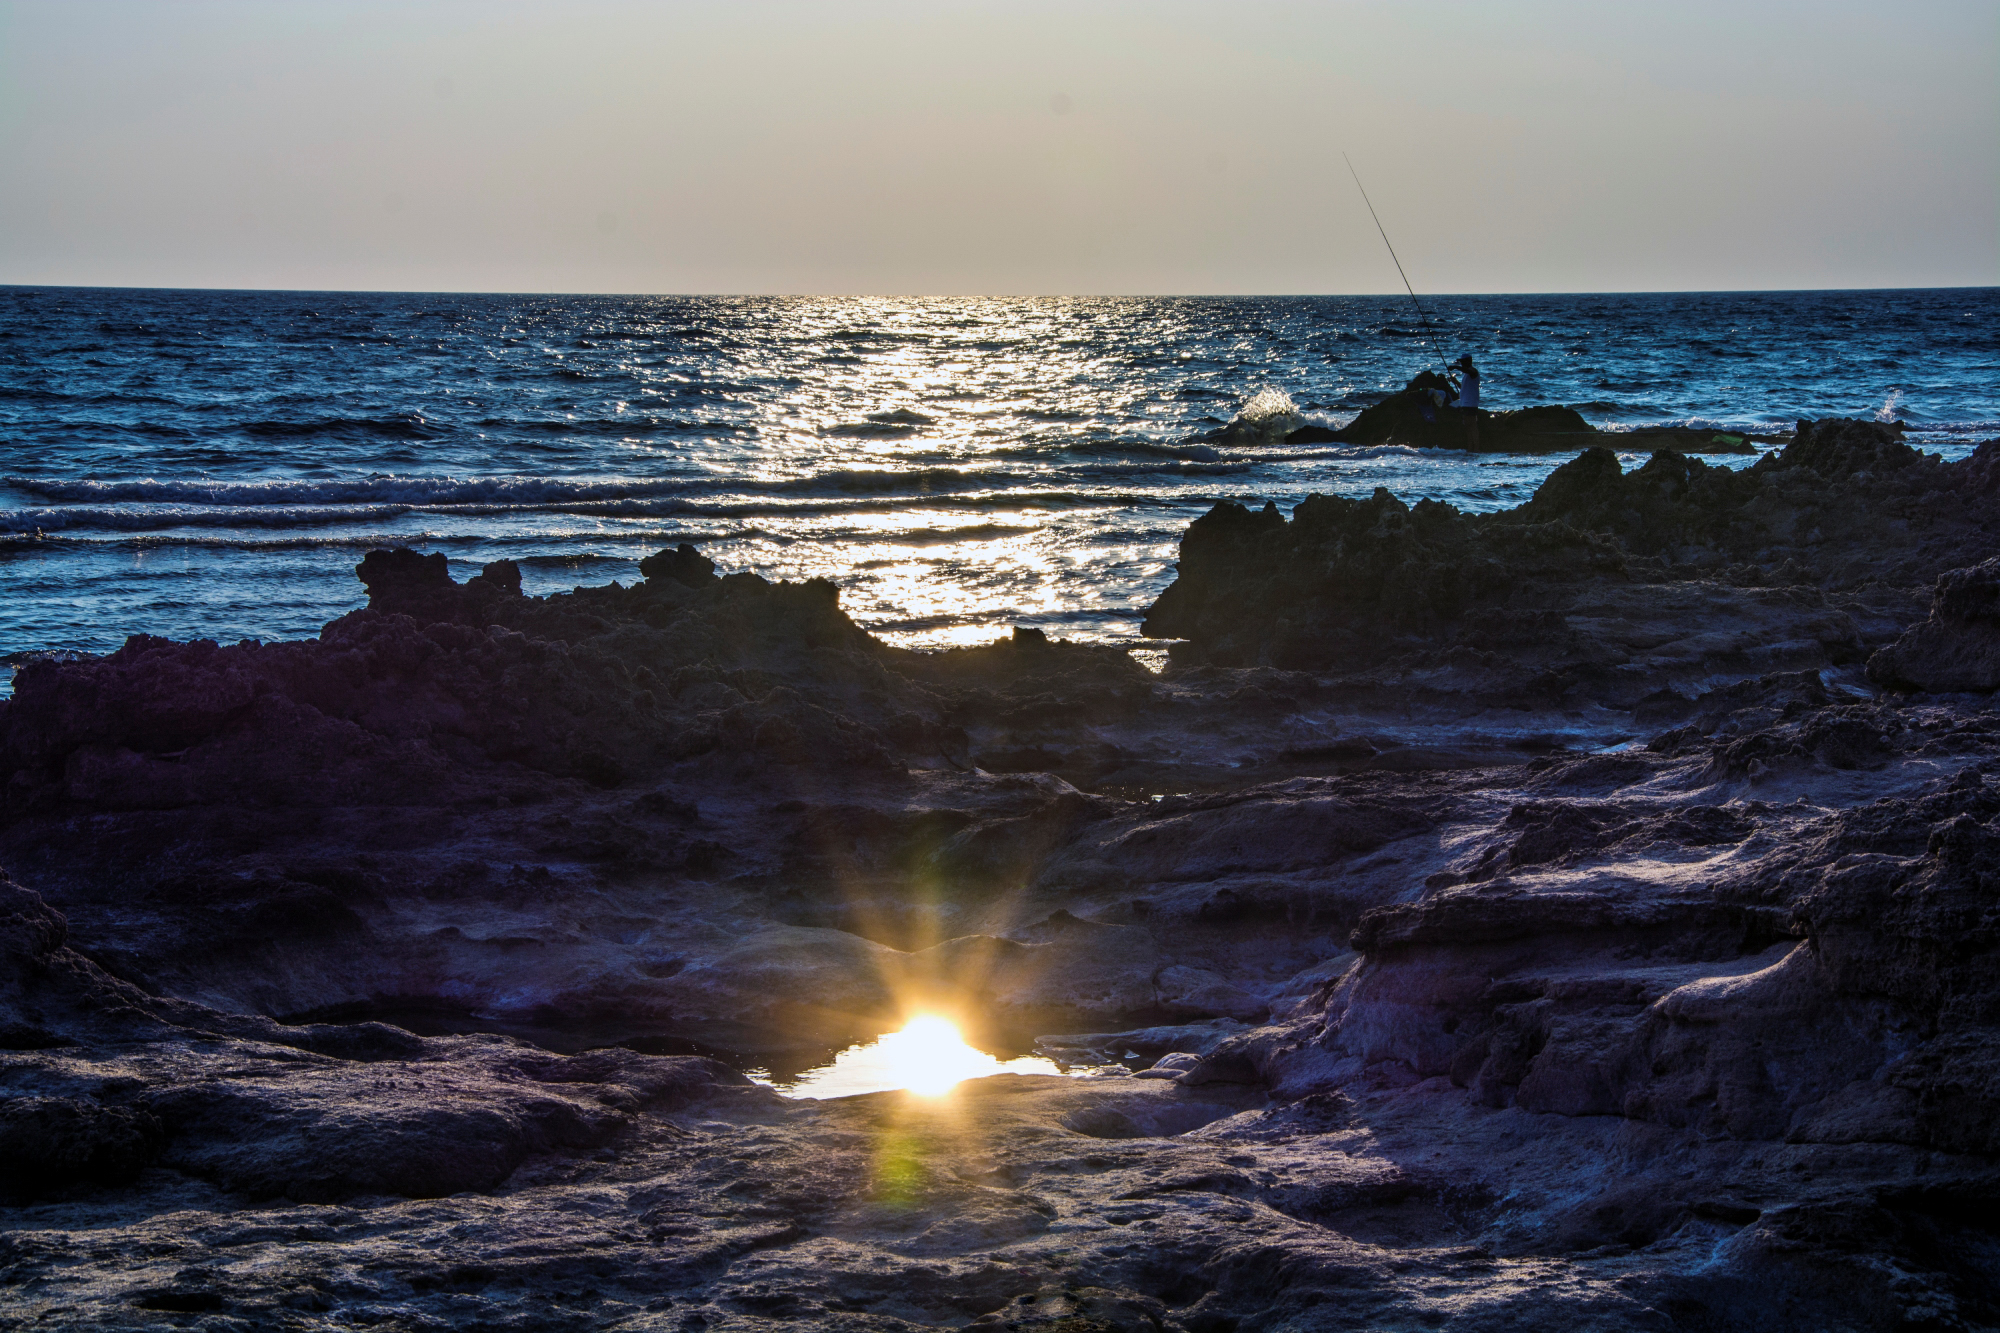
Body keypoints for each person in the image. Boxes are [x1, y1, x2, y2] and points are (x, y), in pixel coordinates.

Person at [1450, 353, 1482, 450]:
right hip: (1465, 403)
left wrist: (1455, 367)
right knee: (1468, 427)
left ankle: (1475, 448)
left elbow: (1468, 371)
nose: (1462, 364)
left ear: (1468, 361)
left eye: (1463, 362)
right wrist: (1455, 382)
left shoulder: (1473, 372)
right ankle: (1471, 448)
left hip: (1470, 404)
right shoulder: (1466, 375)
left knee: (1472, 426)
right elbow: (1463, 388)